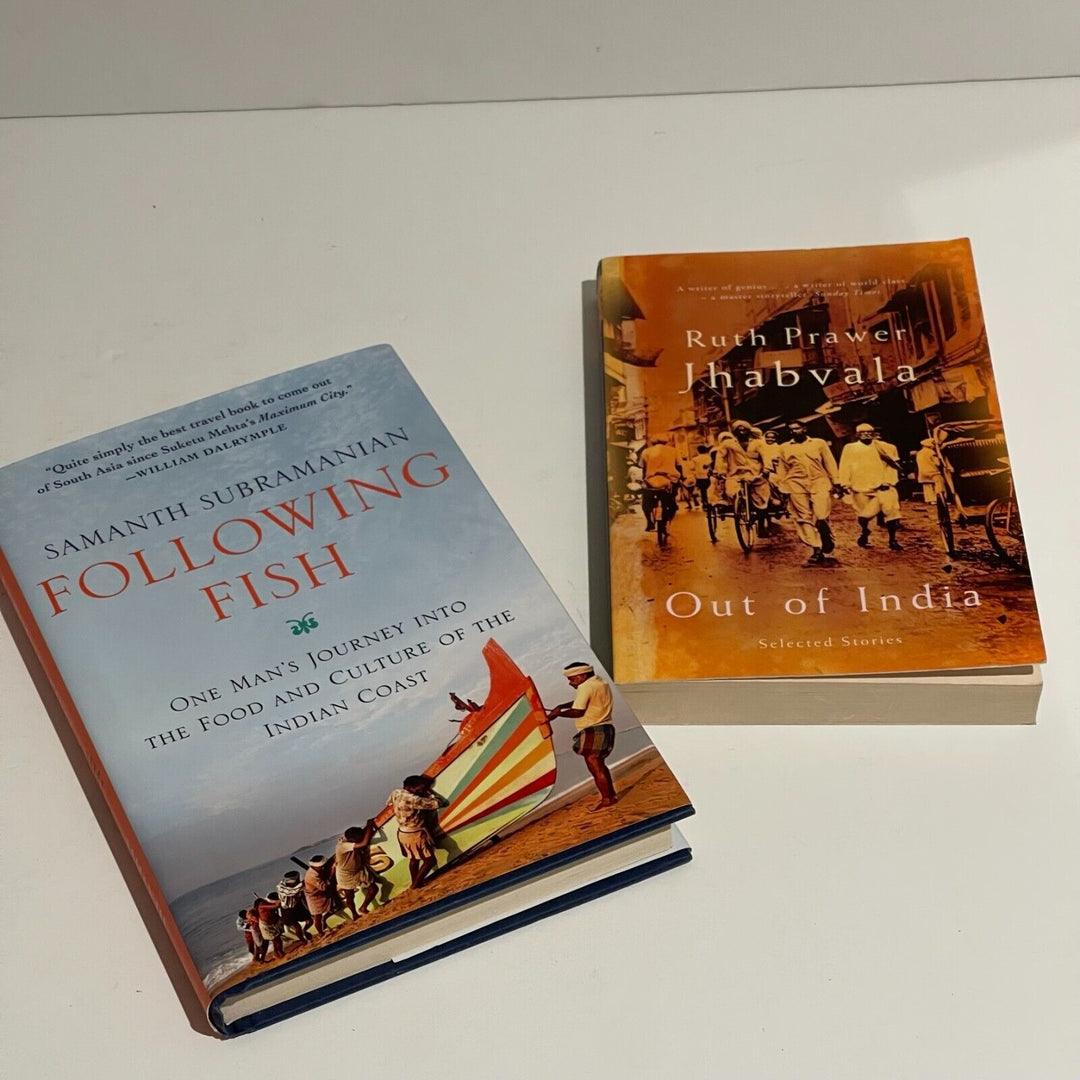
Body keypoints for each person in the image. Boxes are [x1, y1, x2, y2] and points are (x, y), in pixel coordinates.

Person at [546, 662, 617, 811]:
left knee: (596, 767)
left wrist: (558, 714)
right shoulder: (599, 682)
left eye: (572, 679)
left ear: (582, 676)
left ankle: (607, 799)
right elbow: (581, 702)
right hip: (606, 727)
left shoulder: (585, 687)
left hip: (594, 729)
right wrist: (562, 706)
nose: (570, 683)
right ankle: (610, 796)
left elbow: (578, 711)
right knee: (599, 765)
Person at [774, 420, 842, 565]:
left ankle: (825, 534)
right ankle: (816, 549)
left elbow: (829, 462)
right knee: (803, 517)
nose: (794, 431)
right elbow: (782, 469)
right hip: (796, 483)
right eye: (791, 429)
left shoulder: (818, 443)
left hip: (819, 481)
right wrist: (783, 488)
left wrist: (836, 481)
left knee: (821, 514)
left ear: (804, 429)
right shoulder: (784, 447)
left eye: (797, 428)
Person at [839, 423, 903, 551]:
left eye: (869, 432)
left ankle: (892, 540)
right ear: (857, 435)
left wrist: (889, 482)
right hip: (860, 486)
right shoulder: (850, 448)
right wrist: (845, 483)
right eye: (863, 432)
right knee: (863, 516)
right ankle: (865, 531)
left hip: (882, 486)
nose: (867, 434)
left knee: (890, 511)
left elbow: (892, 466)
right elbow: (845, 465)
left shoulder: (885, 447)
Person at [388, 776, 444, 889]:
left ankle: (415, 881)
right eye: (419, 789)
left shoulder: (396, 792)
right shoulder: (414, 799)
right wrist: (430, 792)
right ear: (409, 788)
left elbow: (389, 803)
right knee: (430, 861)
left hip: (402, 832)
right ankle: (416, 884)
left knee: (414, 857)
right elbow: (438, 803)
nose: (421, 791)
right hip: (414, 833)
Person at [716, 420, 772, 532]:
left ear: (749, 431)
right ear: (734, 432)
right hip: (736, 474)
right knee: (731, 490)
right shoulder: (728, 444)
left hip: (755, 474)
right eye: (738, 430)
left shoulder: (757, 443)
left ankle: (761, 525)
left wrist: (767, 468)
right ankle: (738, 506)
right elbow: (720, 458)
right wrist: (720, 471)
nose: (741, 432)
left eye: (744, 430)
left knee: (762, 496)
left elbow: (766, 456)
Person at [334, 821, 380, 916]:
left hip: (358, 870)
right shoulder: (342, 845)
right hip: (345, 874)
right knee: (350, 896)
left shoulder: (350, 841)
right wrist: (370, 824)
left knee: (373, 889)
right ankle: (354, 914)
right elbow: (364, 843)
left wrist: (368, 828)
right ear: (352, 840)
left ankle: (363, 908)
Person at [638, 437, 681, 531]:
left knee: (646, 504)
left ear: (652, 443)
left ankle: (649, 522)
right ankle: (666, 520)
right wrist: (679, 478)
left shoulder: (646, 451)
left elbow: (643, 468)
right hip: (669, 480)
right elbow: (679, 465)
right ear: (665, 442)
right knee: (672, 504)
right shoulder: (673, 450)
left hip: (651, 481)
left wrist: (645, 479)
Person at [276, 870, 314, 943]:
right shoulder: (281, 887)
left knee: (309, 920)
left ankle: (305, 930)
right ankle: (303, 940)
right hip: (287, 910)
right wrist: (304, 882)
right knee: (297, 926)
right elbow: (292, 891)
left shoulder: (298, 885)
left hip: (297, 906)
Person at [303, 854, 336, 936]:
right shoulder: (312, 876)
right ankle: (320, 932)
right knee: (317, 916)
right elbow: (323, 887)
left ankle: (325, 919)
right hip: (313, 897)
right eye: (321, 866)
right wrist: (332, 872)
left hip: (321, 894)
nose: (323, 867)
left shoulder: (317, 871)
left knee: (333, 907)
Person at [255, 893, 285, 959]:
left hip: (273, 923)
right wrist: (281, 900)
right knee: (276, 940)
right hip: (266, 926)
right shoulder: (262, 906)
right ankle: (278, 953)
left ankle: (278, 952)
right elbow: (276, 906)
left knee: (278, 939)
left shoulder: (267, 903)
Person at [915, 438, 945, 504]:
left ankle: (930, 500)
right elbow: (938, 463)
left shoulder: (919, 453)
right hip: (933, 471)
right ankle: (940, 500)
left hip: (923, 472)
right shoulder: (931, 452)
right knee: (939, 484)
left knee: (927, 486)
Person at [688, 443, 717, 512]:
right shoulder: (709, 457)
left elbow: (692, 468)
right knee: (709, 489)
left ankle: (704, 503)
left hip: (699, 477)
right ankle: (709, 502)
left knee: (703, 490)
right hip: (708, 476)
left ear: (698, 451)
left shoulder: (695, 459)